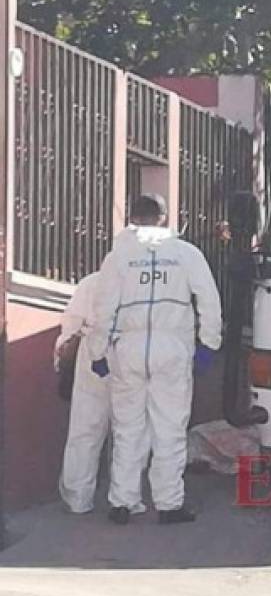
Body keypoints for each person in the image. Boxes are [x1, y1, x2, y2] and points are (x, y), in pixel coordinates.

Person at [87, 194, 222, 525]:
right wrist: (208, 345)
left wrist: (97, 351)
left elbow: (102, 308)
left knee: (127, 429)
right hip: (172, 349)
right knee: (170, 428)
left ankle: (122, 502)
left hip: (128, 350)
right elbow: (209, 299)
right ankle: (169, 505)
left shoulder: (118, 257)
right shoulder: (186, 254)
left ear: (131, 217)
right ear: (163, 218)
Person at [55, 273, 149, 514]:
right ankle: (125, 499)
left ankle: (77, 498)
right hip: (133, 353)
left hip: (93, 350)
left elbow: (70, 327)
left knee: (85, 428)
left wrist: (61, 360)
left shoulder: (92, 282)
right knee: (130, 430)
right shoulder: (148, 283)